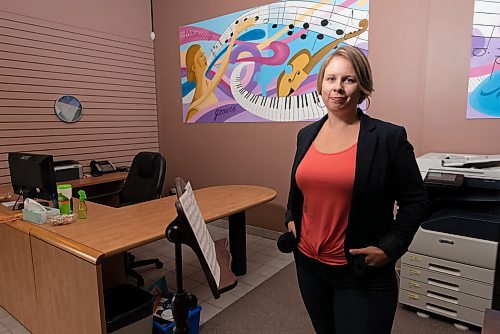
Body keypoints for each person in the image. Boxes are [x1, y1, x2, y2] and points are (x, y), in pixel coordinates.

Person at [285, 45, 428, 334]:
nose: (337, 88)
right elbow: (298, 188)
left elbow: (416, 200)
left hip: (361, 272)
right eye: (331, 78)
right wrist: (290, 217)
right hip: (310, 267)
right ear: (321, 84)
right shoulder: (306, 135)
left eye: (348, 80)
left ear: (361, 85)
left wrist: (391, 248)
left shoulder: (388, 138)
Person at [185, 17, 256, 122]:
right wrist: (236, 33)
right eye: (200, 56)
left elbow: (224, 65)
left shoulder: (208, 84)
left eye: (204, 54)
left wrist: (236, 33)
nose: (204, 57)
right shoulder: (196, 105)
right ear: (194, 67)